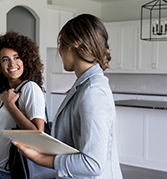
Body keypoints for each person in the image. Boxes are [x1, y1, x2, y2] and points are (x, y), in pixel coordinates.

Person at [13, 14, 123, 179]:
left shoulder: (93, 91)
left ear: (71, 46)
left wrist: (40, 158)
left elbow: (93, 164)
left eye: (60, 44)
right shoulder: (85, 85)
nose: (59, 51)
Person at [0, 31, 47, 179]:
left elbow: (38, 134)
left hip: (17, 170)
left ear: (26, 60)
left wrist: (11, 106)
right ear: (0, 67)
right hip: (0, 169)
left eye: (17, 57)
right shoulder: (3, 93)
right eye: (5, 60)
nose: (12, 64)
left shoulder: (30, 88)